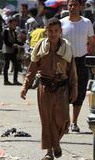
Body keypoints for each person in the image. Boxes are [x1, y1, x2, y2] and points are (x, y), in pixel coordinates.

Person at [20, 18, 78, 160]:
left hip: (62, 89)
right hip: (44, 88)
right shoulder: (40, 47)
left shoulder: (66, 48)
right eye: (50, 31)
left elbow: (72, 72)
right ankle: (50, 151)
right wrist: (25, 86)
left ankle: (56, 142)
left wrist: (74, 88)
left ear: (60, 32)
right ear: (46, 31)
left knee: (63, 120)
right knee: (47, 121)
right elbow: (32, 69)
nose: (53, 34)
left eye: (56, 31)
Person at [60, 0, 95, 133]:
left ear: (80, 7)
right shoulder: (61, 23)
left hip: (81, 61)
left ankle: (74, 123)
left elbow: (92, 44)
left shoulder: (87, 23)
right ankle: (65, 122)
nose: (72, 8)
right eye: (70, 5)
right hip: (64, 62)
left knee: (80, 92)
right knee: (63, 92)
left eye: (75, 5)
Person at [3, 17, 23, 85]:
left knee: (16, 65)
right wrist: (12, 45)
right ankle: (6, 81)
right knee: (6, 65)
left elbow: (16, 41)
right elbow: (6, 42)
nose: (15, 25)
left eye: (15, 24)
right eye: (13, 24)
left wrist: (22, 43)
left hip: (13, 51)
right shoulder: (6, 31)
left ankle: (15, 80)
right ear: (9, 24)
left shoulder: (14, 32)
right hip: (7, 51)